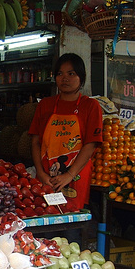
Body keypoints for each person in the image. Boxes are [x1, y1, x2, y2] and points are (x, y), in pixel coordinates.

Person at [28, 53, 103, 211]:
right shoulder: (45, 105)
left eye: (71, 74)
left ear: (81, 77)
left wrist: (69, 175)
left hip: (75, 177)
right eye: (60, 74)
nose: (65, 78)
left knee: (72, 227)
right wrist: (41, 174)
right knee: (46, 220)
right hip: (46, 178)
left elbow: (91, 144)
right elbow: (35, 141)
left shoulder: (90, 106)